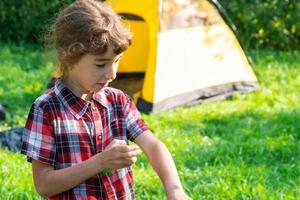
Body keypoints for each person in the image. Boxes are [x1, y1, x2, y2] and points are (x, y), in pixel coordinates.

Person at [21, 0, 192, 199]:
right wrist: (100, 162)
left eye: (116, 62)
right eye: (101, 64)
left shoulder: (118, 101)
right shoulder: (47, 109)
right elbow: (44, 184)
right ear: (67, 56)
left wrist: (174, 189)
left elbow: (153, 147)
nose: (112, 74)